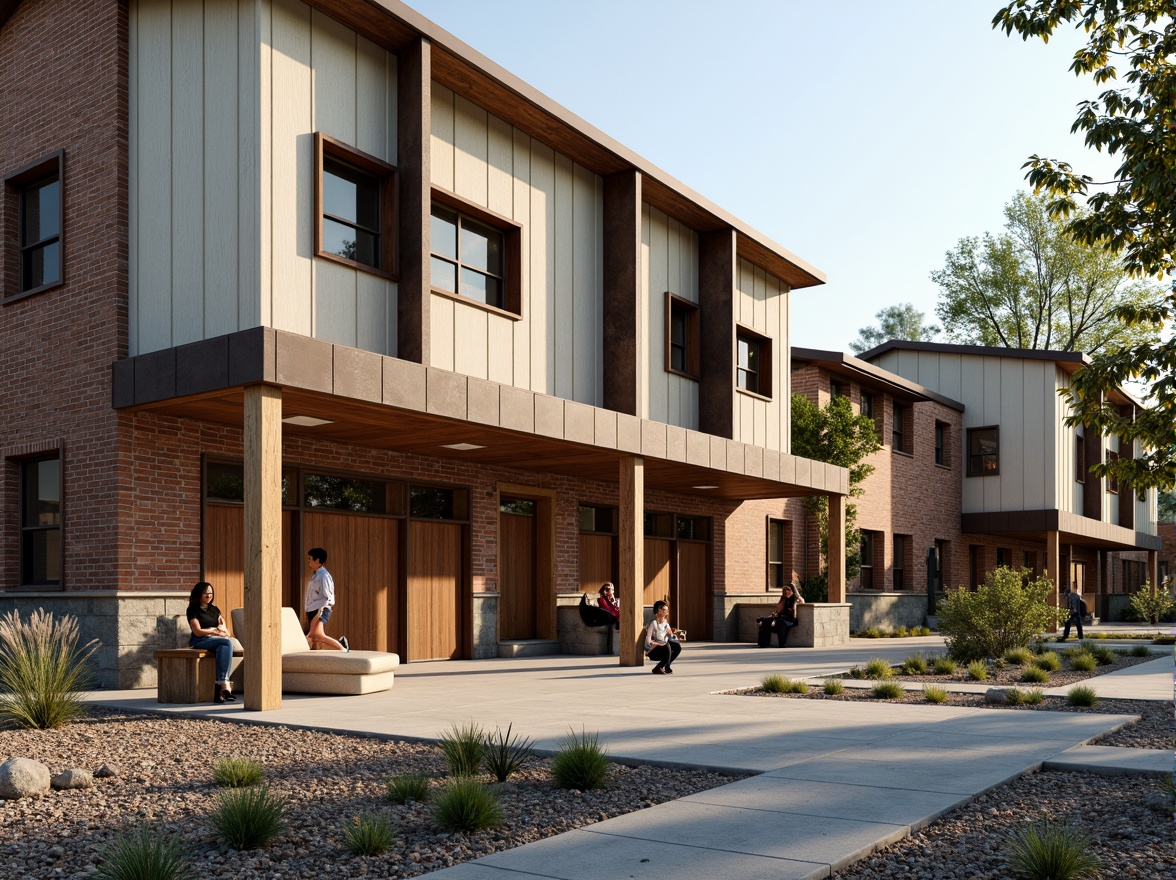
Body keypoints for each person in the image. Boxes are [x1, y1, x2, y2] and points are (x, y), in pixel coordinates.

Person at [186, 581, 235, 703]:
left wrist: (219, 632)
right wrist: (213, 631)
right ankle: (223, 685)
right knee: (226, 644)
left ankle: (219, 689)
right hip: (200, 640)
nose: (209, 596)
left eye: (211, 593)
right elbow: (197, 631)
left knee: (224, 645)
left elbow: (223, 628)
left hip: (216, 640)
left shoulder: (215, 609)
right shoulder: (193, 610)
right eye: (205, 594)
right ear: (198, 595)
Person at [305, 547, 349, 652]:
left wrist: (319, 612)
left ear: (318, 560)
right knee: (314, 638)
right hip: (314, 610)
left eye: (310, 559)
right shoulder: (316, 575)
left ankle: (342, 648)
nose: (309, 561)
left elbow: (328, 597)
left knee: (317, 636)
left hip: (320, 610)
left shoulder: (324, 576)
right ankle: (341, 645)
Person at [758, 583, 804, 648]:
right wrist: (776, 613)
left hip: (790, 619)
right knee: (765, 621)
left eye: (788, 591)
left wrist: (797, 595)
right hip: (781, 617)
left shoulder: (794, 598)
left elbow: (802, 601)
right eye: (785, 591)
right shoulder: (783, 598)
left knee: (780, 623)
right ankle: (763, 643)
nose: (786, 593)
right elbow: (778, 608)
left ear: (792, 591)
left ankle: (782, 643)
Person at [644, 600, 683, 675]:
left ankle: (661, 666)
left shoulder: (665, 623)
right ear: (659, 610)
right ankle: (664, 667)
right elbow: (648, 640)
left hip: (664, 647)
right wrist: (657, 643)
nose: (666, 612)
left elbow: (671, 636)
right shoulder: (653, 623)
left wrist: (677, 637)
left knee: (677, 646)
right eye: (664, 610)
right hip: (653, 650)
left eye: (666, 610)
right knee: (666, 645)